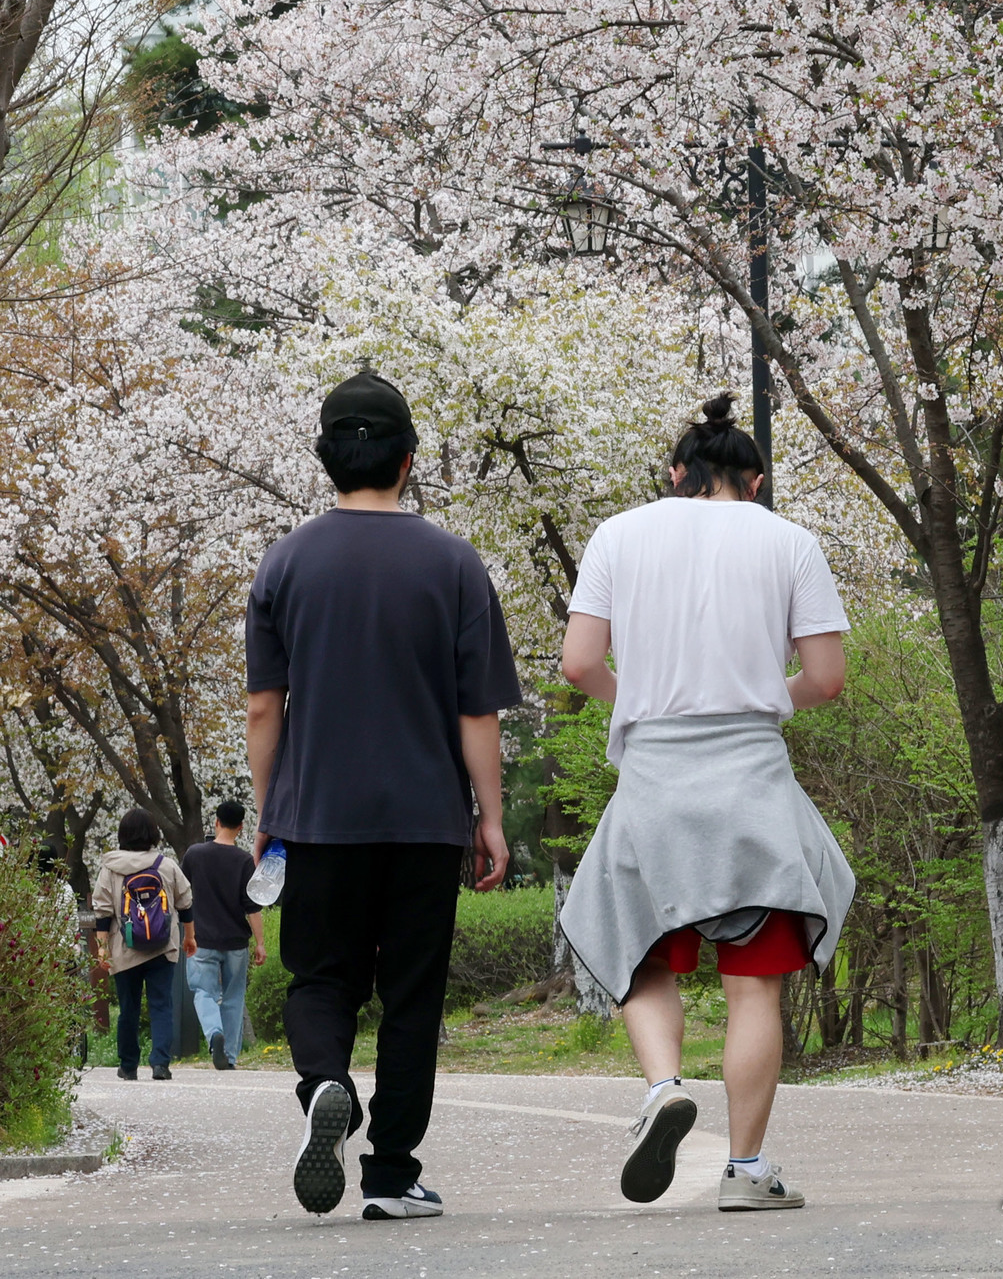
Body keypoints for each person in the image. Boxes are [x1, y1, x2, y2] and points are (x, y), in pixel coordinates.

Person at [560, 391, 854, 1213]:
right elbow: (826, 678)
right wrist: (761, 696)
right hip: (751, 786)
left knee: (644, 953)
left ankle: (662, 1089)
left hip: (653, 780)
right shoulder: (790, 542)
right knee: (754, 985)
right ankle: (749, 1170)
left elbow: (579, 664)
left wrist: (641, 701)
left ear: (674, 474)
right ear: (754, 482)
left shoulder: (619, 534)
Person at [246, 371, 520, 1223]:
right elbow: (476, 710)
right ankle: (393, 1174)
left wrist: (269, 815)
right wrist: (492, 818)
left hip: (319, 819)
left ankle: (327, 1083)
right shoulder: (455, 564)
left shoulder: (284, 563)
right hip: (424, 822)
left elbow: (265, 707)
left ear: (328, 459)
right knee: (411, 996)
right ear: (408, 460)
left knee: (319, 980)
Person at [92, 808, 195, 1081]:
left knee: (129, 1008)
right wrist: (189, 937)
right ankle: (160, 1063)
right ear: (153, 833)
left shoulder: (110, 867)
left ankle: (128, 1066)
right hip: (162, 946)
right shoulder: (166, 864)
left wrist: (102, 949)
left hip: (124, 949)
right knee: (162, 1004)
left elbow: (102, 913)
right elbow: (185, 903)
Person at [183, 799, 267, 1069]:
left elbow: (182, 896)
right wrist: (261, 943)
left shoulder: (194, 855)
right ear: (241, 827)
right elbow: (252, 906)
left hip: (202, 940)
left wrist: (186, 932)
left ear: (216, 822)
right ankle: (229, 1057)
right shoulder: (244, 861)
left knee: (203, 992)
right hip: (235, 942)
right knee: (233, 997)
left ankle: (213, 1033)